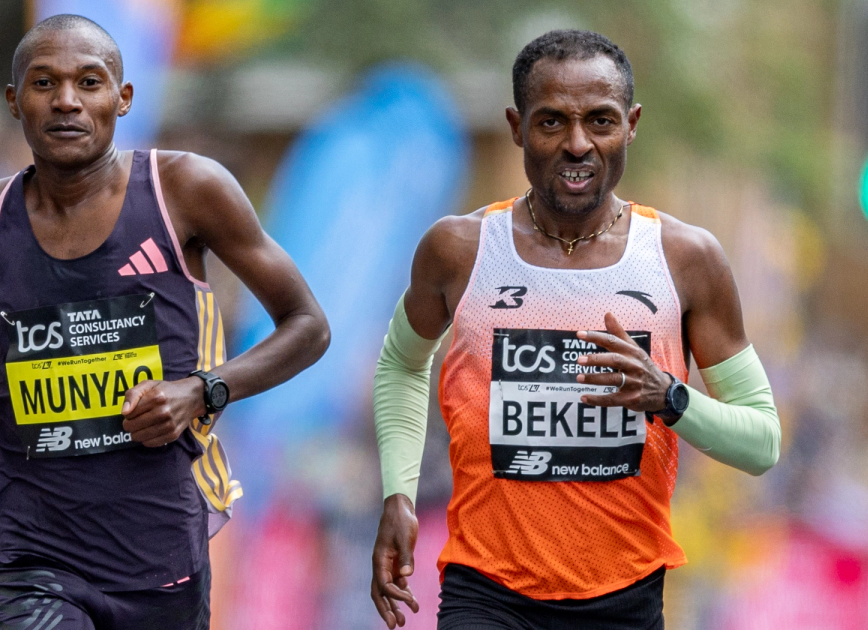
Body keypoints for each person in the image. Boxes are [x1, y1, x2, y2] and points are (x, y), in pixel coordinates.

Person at [371, 29, 781, 629]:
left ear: (632, 124)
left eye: (601, 121)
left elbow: (763, 441)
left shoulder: (684, 259)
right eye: (551, 123)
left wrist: (668, 397)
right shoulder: (460, 249)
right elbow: (401, 363)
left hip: (624, 597)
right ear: (516, 127)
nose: (578, 144)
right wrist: (398, 494)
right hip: (486, 592)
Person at [0, 14, 329, 629]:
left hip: (158, 555)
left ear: (123, 98)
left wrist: (201, 391)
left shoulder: (185, 188)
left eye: (89, 82)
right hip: (27, 554)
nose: (67, 101)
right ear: (16, 101)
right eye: (44, 83)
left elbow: (307, 325)